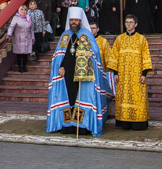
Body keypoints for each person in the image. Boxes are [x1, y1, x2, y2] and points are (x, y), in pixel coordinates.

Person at [46, 8, 112, 136]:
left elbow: (95, 54)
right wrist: (60, 66)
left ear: (80, 21)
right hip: (66, 73)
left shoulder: (86, 35)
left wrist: (86, 67)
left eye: (76, 20)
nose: (74, 22)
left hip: (83, 74)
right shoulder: (65, 35)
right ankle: (67, 124)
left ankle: (81, 125)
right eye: (72, 20)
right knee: (69, 97)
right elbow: (58, 55)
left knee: (81, 97)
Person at [112, 13, 154, 129]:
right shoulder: (119, 39)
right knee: (123, 96)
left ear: (136, 24)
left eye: (130, 22)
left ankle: (139, 123)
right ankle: (124, 122)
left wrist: (144, 74)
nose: (128, 25)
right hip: (123, 75)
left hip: (137, 75)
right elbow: (114, 57)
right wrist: (115, 73)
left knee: (137, 97)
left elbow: (146, 57)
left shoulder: (141, 39)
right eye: (126, 22)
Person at [6, 4, 34, 73]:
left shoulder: (28, 18)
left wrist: (33, 39)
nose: (24, 11)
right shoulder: (16, 18)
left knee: (25, 54)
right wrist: (9, 34)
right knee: (19, 54)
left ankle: (24, 66)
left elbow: (31, 29)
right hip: (19, 38)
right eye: (22, 10)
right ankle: (19, 67)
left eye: (25, 10)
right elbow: (11, 27)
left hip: (27, 38)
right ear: (19, 11)